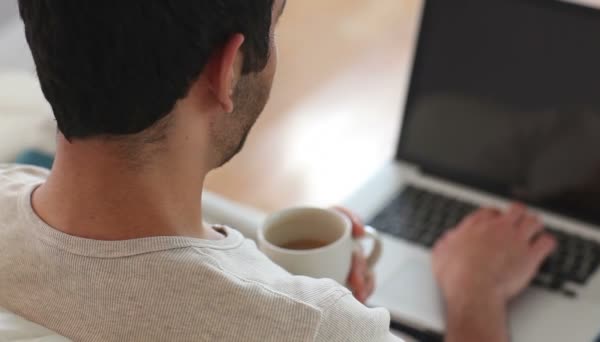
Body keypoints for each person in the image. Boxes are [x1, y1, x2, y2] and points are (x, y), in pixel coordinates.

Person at [0, 0, 557, 341]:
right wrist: (474, 296)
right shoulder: (315, 327)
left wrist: (267, 286)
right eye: (278, 18)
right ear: (225, 70)